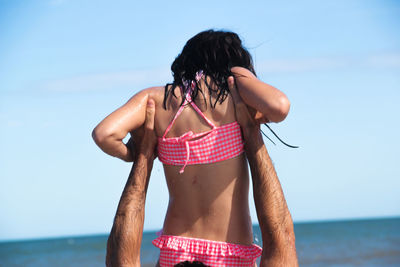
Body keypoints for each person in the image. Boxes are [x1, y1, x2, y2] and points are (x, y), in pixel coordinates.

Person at [94, 30, 291, 266]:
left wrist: (134, 155)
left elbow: (104, 134)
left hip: (174, 250)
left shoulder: (156, 100)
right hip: (231, 251)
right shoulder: (232, 94)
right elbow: (279, 107)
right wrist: (242, 74)